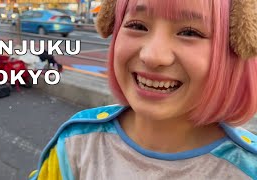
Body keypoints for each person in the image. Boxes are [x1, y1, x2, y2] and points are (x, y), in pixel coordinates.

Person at [29, 0, 257, 179]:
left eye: (189, 32)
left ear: (236, 49)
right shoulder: (77, 142)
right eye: (137, 26)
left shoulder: (248, 168)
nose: (152, 56)